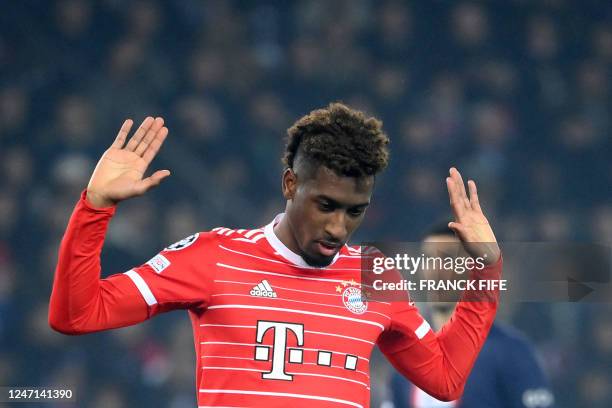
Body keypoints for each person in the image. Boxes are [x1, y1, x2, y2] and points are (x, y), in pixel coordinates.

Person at [49, 103, 502, 407]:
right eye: (325, 205)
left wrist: (485, 268)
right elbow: (77, 314)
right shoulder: (213, 256)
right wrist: (96, 207)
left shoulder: (374, 275)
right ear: (290, 184)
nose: (337, 228)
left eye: (354, 212)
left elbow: (445, 379)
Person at [390, 223, 553, 408]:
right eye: (428, 259)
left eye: (448, 260)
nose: (436, 271)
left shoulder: (510, 351)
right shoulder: (407, 353)